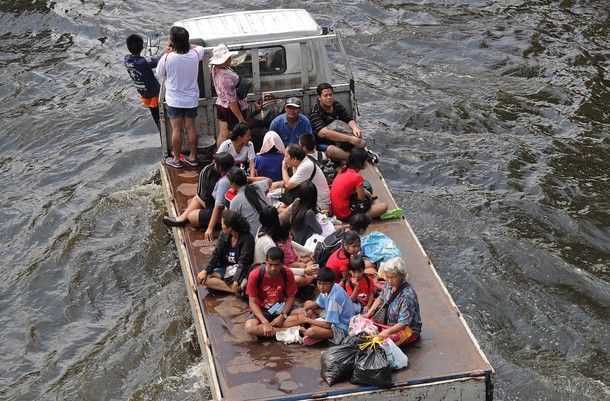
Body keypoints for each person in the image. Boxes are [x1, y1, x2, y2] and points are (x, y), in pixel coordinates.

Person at [156, 26, 204, 169]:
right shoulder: (195, 54)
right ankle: (193, 157)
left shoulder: (166, 58)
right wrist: (184, 44)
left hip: (174, 100)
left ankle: (176, 159)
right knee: (190, 128)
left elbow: (159, 73)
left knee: (177, 130)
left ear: (173, 42)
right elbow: (200, 47)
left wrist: (167, 50)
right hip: (191, 99)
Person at [162, 152, 234, 242]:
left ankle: (219, 230)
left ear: (219, 167)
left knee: (191, 217)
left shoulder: (224, 183)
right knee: (198, 197)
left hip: (225, 214)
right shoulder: (234, 173)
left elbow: (218, 207)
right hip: (229, 208)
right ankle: (181, 218)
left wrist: (210, 229)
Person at [363, 257, 422, 345]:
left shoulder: (408, 295)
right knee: (361, 328)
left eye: (393, 277)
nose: (390, 281)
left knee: (380, 342)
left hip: (406, 329)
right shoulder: (388, 285)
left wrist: (388, 332)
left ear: (401, 276)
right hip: (387, 323)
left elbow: (403, 323)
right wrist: (368, 314)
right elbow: (380, 298)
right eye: (387, 277)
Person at [254, 206, 318, 288]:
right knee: (300, 279)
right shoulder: (269, 244)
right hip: (269, 273)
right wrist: (303, 271)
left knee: (308, 259)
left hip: (278, 266)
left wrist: (309, 252)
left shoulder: (263, 229)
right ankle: (311, 278)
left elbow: (287, 241)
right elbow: (278, 268)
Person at [244, 247, 301, 337]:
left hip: (281, 307)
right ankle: (287, 330)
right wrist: (264, 321)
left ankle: (271, 330)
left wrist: (282, 316)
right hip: (262, 310)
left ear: (282, 263)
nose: (273, 268)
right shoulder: (255, 275)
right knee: (250, 328)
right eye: (270, 264)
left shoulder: (287, 273)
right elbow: (252, 302)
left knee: (304, 313)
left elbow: (291, 298)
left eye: (277, 265)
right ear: (266, 261)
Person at [196, 210, 254, 293]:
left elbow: (243, 263)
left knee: (243, 284)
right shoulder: (224, 234)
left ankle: (229, 286)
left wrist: (236, 280)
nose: (221, 225)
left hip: (240, 271)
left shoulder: (247, 239)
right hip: (226, 268)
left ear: (230, 228)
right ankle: (233, 290)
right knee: (204, 279)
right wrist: (205, 270)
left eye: (222, 223)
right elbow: (216, 254)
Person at [294, 267, 355, 346]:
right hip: (334, 317)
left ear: (332, 283)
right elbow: (318, 303)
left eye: (325, 284)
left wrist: (306, 320)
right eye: (319, 283)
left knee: (310, 332)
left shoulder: (335, 299)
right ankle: (318, 333)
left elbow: (327, 325)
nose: (321, 287)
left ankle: (316, 334)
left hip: (342, 327)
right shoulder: (329, 289)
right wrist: (304, 309)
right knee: (308, 303)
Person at [308, 83, 365, 163]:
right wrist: (349, 139)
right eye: (325, 96)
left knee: (362, 143)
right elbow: (324, 133)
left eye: (330, 95)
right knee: (332, 151)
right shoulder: (315, 113)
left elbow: (348, 118)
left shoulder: (336, 105)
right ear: (319, 97)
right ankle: (356, 158)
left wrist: (355, 128)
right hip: (325, 142)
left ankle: (354, 157)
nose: (329, 98)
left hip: (341, 136)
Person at [330, 148, 388, 220]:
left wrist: (363, 190)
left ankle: (375, 203)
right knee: (384, 207)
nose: (367, 163)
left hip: (336, 211)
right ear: (361, 163)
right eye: (366, 161)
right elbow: (361, 199)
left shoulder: (344, 168)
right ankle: (375, 206)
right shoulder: (357, 177)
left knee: (366, 187)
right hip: (345, 215)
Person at [209, 44, 248, 148]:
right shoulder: (227, 77)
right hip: (232, 108)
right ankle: (235, 157)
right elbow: (232, 101)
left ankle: (219, 156)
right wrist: (241, 119)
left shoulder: (214, 68)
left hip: (221, 104)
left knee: (224, 134)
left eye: (228, 57)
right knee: (237, 135)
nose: (229, 60)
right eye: (225, 59)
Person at [272, 144, 331, 212]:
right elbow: (291, 181)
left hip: (320, 203)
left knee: (283, 211)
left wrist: (284, 168)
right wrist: (276, 185)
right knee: (280, 208)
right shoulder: (298, 163)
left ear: (294, 159)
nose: (284, 159)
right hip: (309, 197)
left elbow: (288, 185)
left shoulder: (305, 166)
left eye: (286, 156)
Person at [124, 34, 161, 134]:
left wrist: (148, 56)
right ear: (142, 48)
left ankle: (162, 133)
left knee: (157, 118)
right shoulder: (143, 62)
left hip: (145, 94)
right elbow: (157, 61)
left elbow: (145, 60)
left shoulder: (127, 59)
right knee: (162, 118)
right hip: (155, 95)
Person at [227, 167, 271, 238]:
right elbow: (269, 180)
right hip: (270, 231)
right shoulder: (257, 186)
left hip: (254, 237)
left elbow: (233, 224)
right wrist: (249, 179)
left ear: (234, 184)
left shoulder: (235, 201)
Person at [275, 220, 316, 287]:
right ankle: (309, 275)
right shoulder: (279, 246)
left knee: (311, 260)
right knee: (302, 265)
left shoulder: (288, 239)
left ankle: (308, 274)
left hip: (294, 258)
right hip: (288, 263)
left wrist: (298, 257)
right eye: (288, 231)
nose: (290, 232)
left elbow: (292, 248)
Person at [289, 181, 322, 246]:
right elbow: (319, 230)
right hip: (305, 243)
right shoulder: (309, 213)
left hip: (296, 239)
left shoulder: (296, 202)